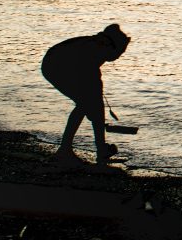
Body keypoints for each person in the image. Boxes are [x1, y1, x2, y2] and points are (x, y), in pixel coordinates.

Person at [42, 24, 131, 165]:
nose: (118, 57)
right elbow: (92, 87)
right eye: (120, 52)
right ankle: (66, 151)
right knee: (85, 104)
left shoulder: (99, 44)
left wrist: (95, 110)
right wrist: (94, 111)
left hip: (57, 63)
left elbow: (96, 97)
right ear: (113, 46)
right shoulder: (97, 50)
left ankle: (99, 150)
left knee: (89, 104)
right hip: (55, 66)